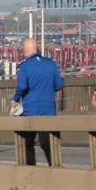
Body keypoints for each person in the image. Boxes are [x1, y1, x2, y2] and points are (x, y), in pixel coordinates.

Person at [11, 38, 63, 166]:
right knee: (48, 144)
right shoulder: (51, 64)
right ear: (37, 49)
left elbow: (22, 86)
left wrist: (15, 99)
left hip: (30, 111)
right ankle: (55, 168)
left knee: (27, 143)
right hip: (49, 111)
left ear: (25, 50)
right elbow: (59, 85)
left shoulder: (24, 66)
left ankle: (31, 170)